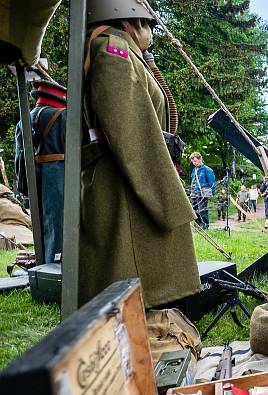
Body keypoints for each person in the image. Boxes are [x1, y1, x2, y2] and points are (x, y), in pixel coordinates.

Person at [79, 0, 200, 307]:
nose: (149, 33)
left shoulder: (125, 50)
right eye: (145, 25)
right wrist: (168, 196)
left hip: (129, 178)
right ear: (130, 21)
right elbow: (127, 124)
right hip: (124, 184)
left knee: (141, 284)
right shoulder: (111, 49)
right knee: (128, 287)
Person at [14, 79, 67, 264]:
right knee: (58, 223)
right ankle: (56, 265)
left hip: (33, 176)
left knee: (39, 222)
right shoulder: (63, 116)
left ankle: (42, 263)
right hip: (59, 176)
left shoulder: (24, 119)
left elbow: (18, 157)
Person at [189, 152, 216, 229]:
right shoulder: (194, 169)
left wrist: (211, 193)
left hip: (202, 194)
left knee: (202, 210)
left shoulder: (208, 170)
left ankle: (205, 226)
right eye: (192, 162)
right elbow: (193, 181)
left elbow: (212, 183)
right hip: (194, 193)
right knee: (195, 210)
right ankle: (198, 225)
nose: (194, 163)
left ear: (200, 159)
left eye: (195, 161)